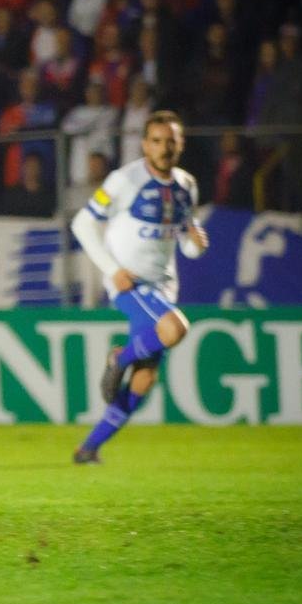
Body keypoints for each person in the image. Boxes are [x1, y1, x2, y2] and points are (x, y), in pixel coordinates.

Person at [68, 110, 209, 464]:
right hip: (129, 282)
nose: (164, 148)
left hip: (162, 286)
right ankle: (120, 357)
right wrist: (112, 269)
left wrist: (196, 243)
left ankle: (88, 448)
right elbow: (82, 224)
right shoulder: (124, 180)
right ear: (145, 145)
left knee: (144, 379)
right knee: (175, 328)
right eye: (157, 141)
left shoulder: (187, 185)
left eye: (171, 142)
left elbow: (187, 246)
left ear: (180, 145)